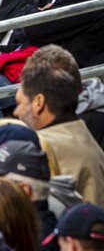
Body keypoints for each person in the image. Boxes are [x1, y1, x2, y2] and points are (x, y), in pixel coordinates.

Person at [14, 54, 104, 203]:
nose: (16, 112)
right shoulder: (79, 129)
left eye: (19, 102)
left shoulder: (42, 147)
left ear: (39, 102)